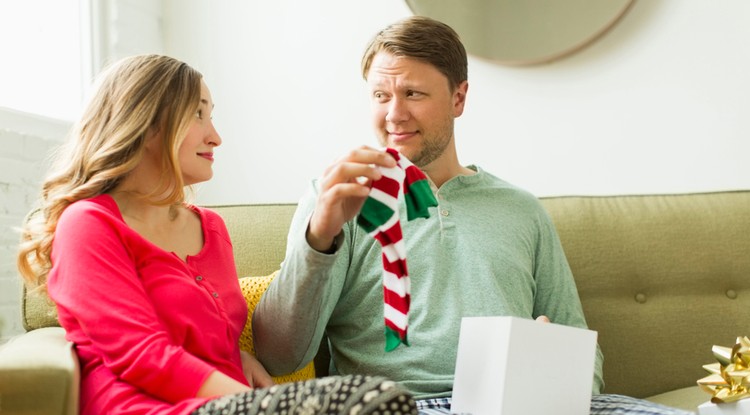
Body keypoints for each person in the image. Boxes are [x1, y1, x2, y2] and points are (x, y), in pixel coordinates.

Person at [252, 16, 693, 415]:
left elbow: (579, 345)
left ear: (459, 98)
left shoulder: (521, 209)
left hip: (527, 406)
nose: (394, 114)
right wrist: (320, 235)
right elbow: (279, 355)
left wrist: (551, 368)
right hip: (403, 406)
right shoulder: (334, 197)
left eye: (413, 94)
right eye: (381, 95)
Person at [16, 54, 417, 415]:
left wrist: (242, 368)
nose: (216, 136)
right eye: (198, 114)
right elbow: (141, 353)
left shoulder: (209, 228)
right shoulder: (89, 223)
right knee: (376, 401)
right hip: (147, 408)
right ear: (146, 123)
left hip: (227, 404)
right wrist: (255, 404)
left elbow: (217, 338)